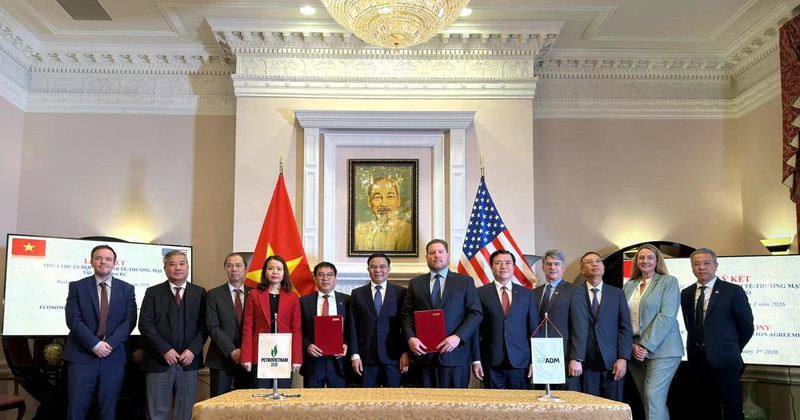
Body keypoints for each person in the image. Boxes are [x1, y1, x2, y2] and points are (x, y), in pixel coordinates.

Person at [63, 245, 137, 420]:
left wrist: (108, 345)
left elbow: (130, 321)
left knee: (108, 411)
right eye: (98, 258)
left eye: (108, 259)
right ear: (91, 261)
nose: (103, 262)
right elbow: (73, 319)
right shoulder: (77, 287)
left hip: (113, 357)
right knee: (76, 410)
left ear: (115, 263)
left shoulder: (127, 289)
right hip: (81, 356)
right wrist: (95, 345)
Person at [681, 248, 753, 420]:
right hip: (697, 360)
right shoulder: (686, 293)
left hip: (725, 359)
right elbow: (690, 324)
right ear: (692, 267)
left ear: (716, 265)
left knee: (732, 409)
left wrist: (731, 347)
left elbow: (746, 327)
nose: (701, 267)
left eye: (707, 263)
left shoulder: (733, 291)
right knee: (705, 408)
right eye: (696, 264)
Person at [401, 239, 482, 388]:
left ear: (448, 255)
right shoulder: (415, 283)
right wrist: (410, 338)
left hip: (455, 357)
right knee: (425, 407)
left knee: (455, 408)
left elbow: (475, 313)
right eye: (432, 252)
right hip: (423, 357)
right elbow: (406, 315)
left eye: (440, 252)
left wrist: (458, 337)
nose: (436, 256)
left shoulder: (465, 282)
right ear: (426, 257)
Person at [139, 249, 207, 420]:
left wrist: (192, 350)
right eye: (172, 264)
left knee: (184, 413)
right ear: (165, 268)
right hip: (158, 361)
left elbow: (205, 326)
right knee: (156, 413)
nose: (177, 267)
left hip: (188, 363)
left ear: (188, 267)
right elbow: (145, 325)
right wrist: (164, 350)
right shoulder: (153, 292)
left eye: (182, 263)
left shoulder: (200, 293)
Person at [622, 243, 683, 420]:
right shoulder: (629, 285)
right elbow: (623, 319)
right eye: (641, 257)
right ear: (636, 262)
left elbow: (667, 316)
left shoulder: (668, 282)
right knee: (650, 400)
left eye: (650, 257)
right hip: (635, 351)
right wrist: (633, 345)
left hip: (664, 349)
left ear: (657, 261)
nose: (645, 261)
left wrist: (645, 345)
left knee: (652, 396)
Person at [471, 250, 539, 389]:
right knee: (493, 407)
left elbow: (533, 329)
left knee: (520, 407)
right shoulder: (480, 293)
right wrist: (476, 360)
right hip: (491, 362)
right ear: (491, 267)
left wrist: (535, 360)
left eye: (508, 263)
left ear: (514, 267)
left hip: (521, 363)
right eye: (498, 263)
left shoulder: (527, 294)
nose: (503, 266)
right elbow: (475, 331)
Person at [240, 255, 302, 388]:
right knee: (260, 396)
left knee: (282, 396)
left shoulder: (292, 297)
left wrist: (296, 358)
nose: (275, 272)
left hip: (284, 353)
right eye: (271, 268)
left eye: (279, 269)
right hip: (260, 353)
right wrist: (246, 356)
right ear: (265, 272)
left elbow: (296, 329)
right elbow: (248, 327)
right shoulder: (254, 295)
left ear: (284, 272)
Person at [349, 252, 410, 387]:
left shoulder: (401, 293)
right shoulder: (357, 294)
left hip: (394, 359)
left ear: (389, 269)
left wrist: (406, 352)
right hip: (366, 359)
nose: (378, 270)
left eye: (382, 266)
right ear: (368, 269)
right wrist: (355, 355)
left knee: (393, 404)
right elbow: (352, 326)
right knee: (368, 403)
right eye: (373, 267)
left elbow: (406, 325)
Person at [578, 252, 633, 401]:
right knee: (588, 410)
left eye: (598, 261)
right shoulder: (574, 293)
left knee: (614, 410)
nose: (594, 264)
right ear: (582, 269)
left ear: (603, 267)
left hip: (613, 363)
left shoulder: (617, 294)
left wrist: (623, 358)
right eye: (589, 262)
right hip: (585, 363)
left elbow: (625, 328)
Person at [532, 249, 589, 391]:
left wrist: (576, 358)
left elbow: (580, 326)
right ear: (543, 267)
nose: (552, 268)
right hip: (541, 358)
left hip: (565, 358)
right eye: (549, 264)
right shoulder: (534, 293)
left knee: (567, 404)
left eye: (556, 264)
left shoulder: (574, 291)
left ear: (563, 268)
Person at [205, 252, 251, 397]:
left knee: (245, 404)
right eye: (229, 266)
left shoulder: (255, 294)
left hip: (248, 358)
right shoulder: (213, 294)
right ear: (225, 269)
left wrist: (244, 351)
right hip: (220, 358)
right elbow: (213, 326)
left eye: (238, 265)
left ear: (245, 269)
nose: (234, 269)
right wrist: (232, 351)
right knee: (219, 404)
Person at [299, 262, 350, 388]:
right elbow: (298, 330)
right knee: (312, 404)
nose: (325, 278)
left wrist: (347, 346)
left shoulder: (348, 301)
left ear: (336, 278)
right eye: (321, 275)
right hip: (314, 363)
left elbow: (353, 330)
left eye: (330, 275)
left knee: (339, 404)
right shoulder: (303, 301)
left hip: (339, 363)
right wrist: (307, 346)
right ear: (315, 278)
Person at [354, 177, 413, 251]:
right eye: (377, 197)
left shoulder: (409, 231)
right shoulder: (359, 232)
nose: (384, 204)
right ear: (369, 201)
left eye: (390, 197)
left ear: (398, 201)